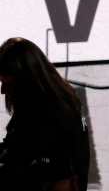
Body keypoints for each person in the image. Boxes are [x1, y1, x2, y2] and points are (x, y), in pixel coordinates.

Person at [0, 37, 90, 191]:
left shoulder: (54, 117)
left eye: (6, 83)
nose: (2, 90)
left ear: (25, 80)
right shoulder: (40, 102)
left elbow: (61, 178)